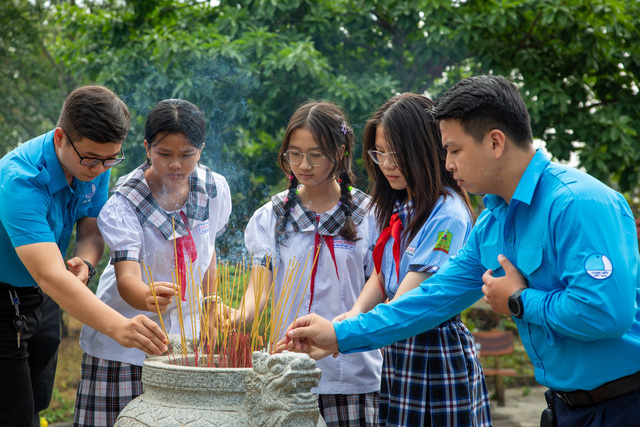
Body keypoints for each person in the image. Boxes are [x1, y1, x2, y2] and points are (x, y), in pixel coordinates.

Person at [279, 75, 640, 427]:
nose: (448, 163)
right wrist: (340, 335)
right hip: (565, 406)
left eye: (454, 150)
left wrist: (519, 301)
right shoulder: (493, 222)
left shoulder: (578, 204)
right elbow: (429, 299)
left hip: (623, 404)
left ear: (495, 143)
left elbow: (606, 313)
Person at [0, 86, 168, 427]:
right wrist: (119, 326)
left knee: (35, 400)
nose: (100, 168)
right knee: (12, 413)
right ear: (61, 137)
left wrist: (86, 262)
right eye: (92, 158)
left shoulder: (94, 159)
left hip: (41, 297)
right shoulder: (20, 182)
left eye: (112, 158)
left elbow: (91, 231)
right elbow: (50, 275)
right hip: (7, 297)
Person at [332, 93, 491, 426]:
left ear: (425, 149)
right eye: (380, 153)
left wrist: (343, 333)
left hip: (433, 352)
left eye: (397, 154)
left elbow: (410, 299)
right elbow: (381, 274)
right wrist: (355, 312)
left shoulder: (446, 214)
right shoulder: (400, 206)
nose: (387, 165)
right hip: (397, 344)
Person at [74, 99, 231, 426]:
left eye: (186, 154)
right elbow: (126, 275)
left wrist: (212, 304)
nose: (176, 164)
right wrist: (145, 296)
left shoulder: (214, 189)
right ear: (147, 147)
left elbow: (208, 251)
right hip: (126, 343)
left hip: (186, 342)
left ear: (200, 150)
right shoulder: (125, 202)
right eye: (165, 154)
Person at [226, 101, 382, 426]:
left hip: (351, 370)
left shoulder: (370, 216)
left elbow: (380, 289)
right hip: (288, 369)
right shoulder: (270, 217)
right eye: (294, 154)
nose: (303, 164)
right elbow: (259, 290)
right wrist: (238, 317)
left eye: (315, 154)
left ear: (339, 152)